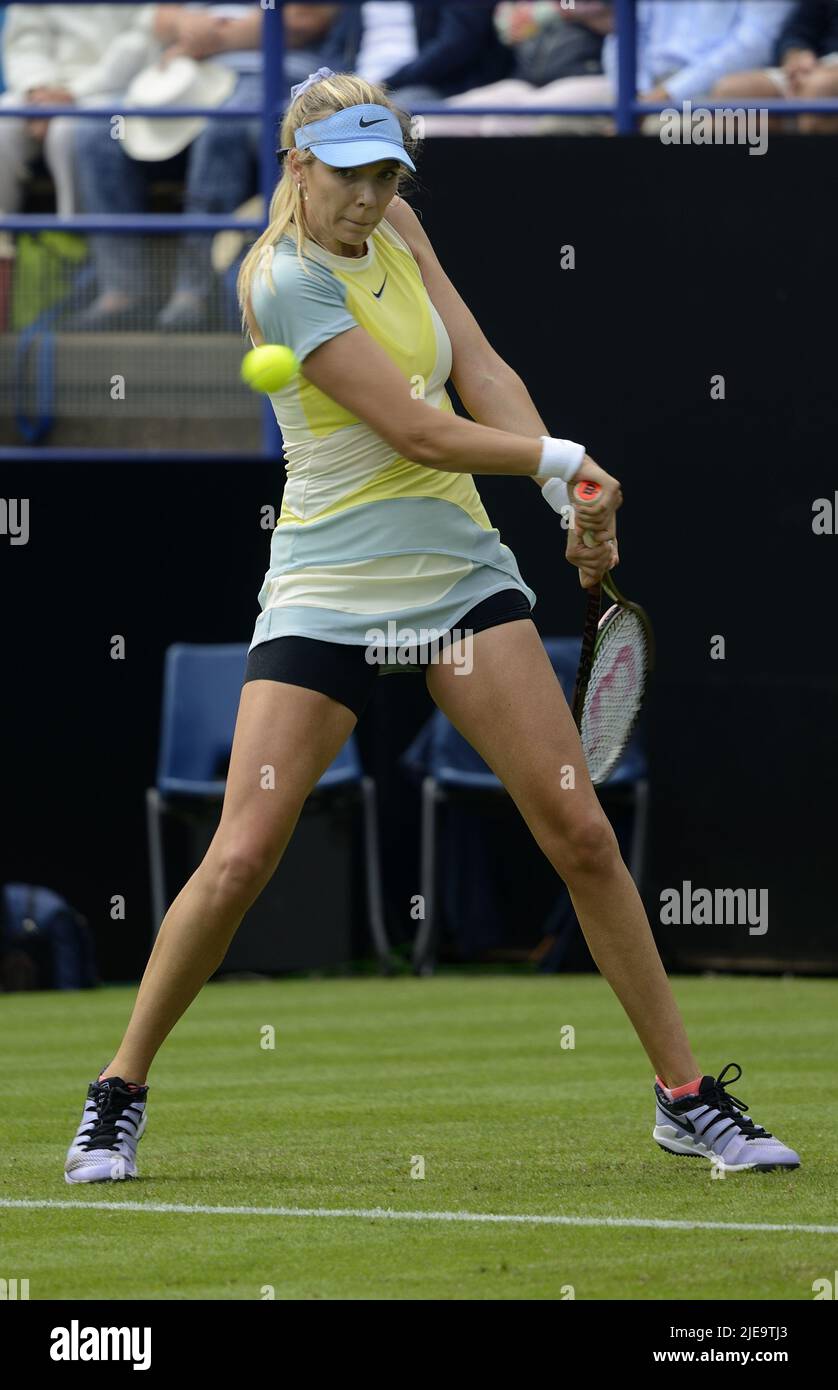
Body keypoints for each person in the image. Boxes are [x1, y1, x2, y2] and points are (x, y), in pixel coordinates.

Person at [63, 67, 801, 1184]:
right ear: (298, 164)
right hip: (326, 588)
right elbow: (416, 429)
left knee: (583, 837)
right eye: (352, 174)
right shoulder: (280, 282)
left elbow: (478, 368)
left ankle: (686, 1096)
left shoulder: (397, 227)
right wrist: (564, 459)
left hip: (456, 575)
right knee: (242, 855)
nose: (372, 196)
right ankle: (116, 1094)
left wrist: (566, 501)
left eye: (389, 173)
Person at [423, 0, 793, 137]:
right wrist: (635, 91)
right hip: (635, 87)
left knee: (671, 131)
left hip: (712, 90)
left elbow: (754, 43)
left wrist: (667, 93)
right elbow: (625, 32)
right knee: (542, 123)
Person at [711, 0, 838, 134]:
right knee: (730, 94)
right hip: (818, 64)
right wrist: (796, 53)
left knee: (819, 90)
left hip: (822, 78)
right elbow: (798, 30)